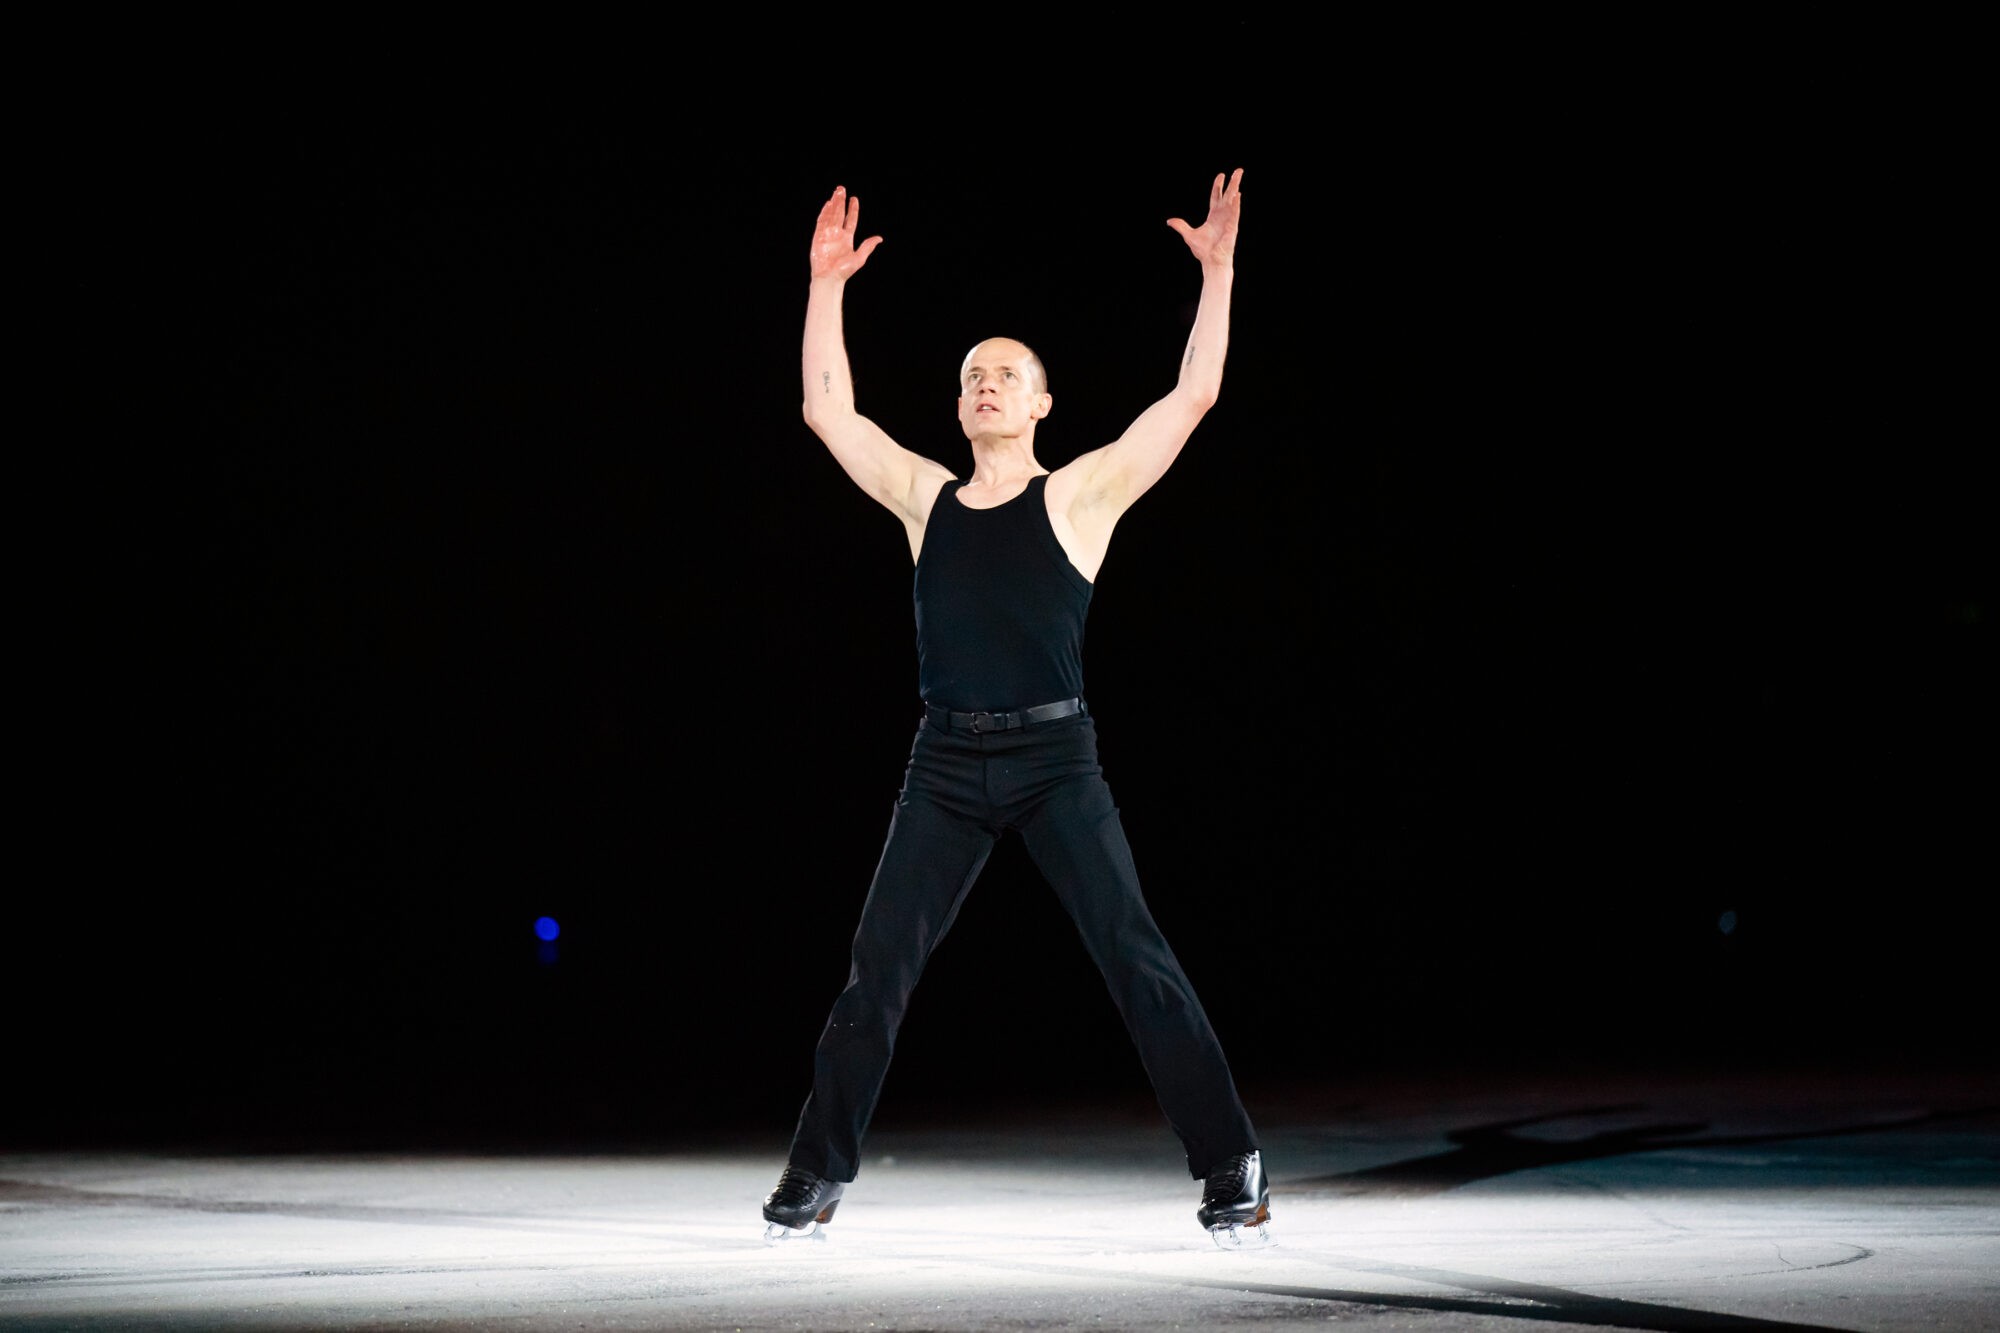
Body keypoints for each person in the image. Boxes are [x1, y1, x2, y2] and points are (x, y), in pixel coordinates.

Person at [762, 169, 1270, 1250]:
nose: (985, 385)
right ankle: (815, 1169)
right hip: (943, 763)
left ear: (1040, 403)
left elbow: (1191, 396)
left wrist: (1219, 273)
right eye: (971, 376)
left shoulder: (1079, 494)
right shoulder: (925, 498)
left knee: (1133, 954)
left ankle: (1231, 1159)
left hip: (1054, 758)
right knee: (876, 969)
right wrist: (825, 287)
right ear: (959, 407)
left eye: (1006, 375)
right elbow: (826, 411)